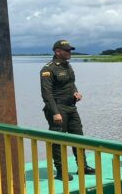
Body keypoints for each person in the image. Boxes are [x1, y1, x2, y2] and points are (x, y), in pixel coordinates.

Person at [40, 40, 95, 181]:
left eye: (70, 50)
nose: (70, 52)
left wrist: (76, 92)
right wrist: (55, 113)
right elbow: (47, 94)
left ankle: (82, 166)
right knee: (59, 140)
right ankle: (60, 171)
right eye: (67, 50)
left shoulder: (67, 66)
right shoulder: (48, 69)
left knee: (78, 137)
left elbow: (70, 84)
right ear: (58, 52)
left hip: (71, 107)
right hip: (57, 108)